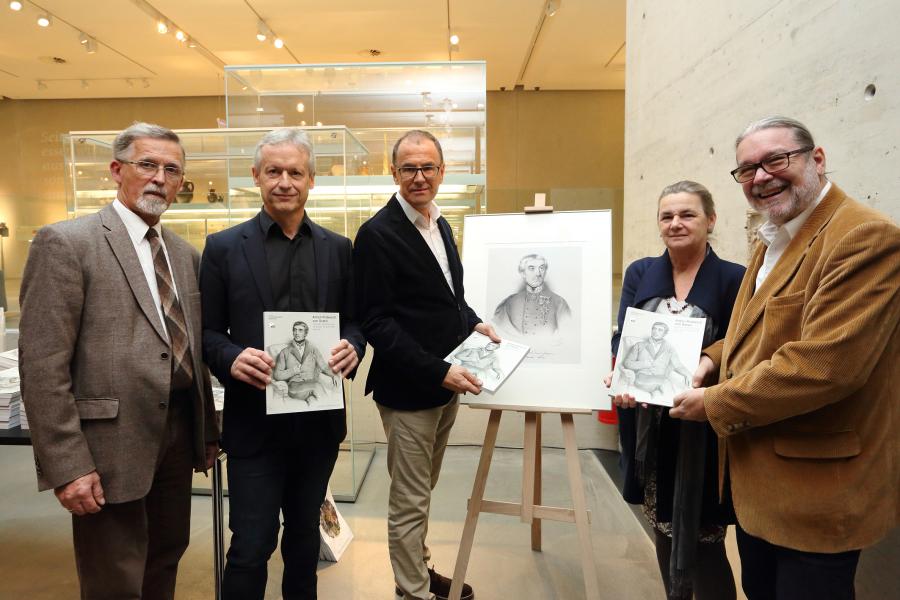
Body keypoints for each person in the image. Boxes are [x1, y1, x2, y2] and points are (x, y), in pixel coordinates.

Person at [670, 117, 900, 600]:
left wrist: (711, 403)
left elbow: (824, 366)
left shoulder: (863, 237)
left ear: (817, 159)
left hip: (816, 491)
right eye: (747, 169)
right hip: (762, 489)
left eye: (776, 159)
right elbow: (753, 331)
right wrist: (712, 360)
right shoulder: (777, 233)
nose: (760, 177)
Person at [18, 122, 219, 600]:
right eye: (147, 165)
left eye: (172, 170)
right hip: (108, 444)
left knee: (166, 556)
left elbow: (190, 349)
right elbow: (43, 365)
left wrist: (205, 430)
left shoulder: (184, 255)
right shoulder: (67, 243)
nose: (159, 179)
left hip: (175, 436)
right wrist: (67, 465)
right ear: (116, 170)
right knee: (115, 573)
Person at [200, 127, 365, 600]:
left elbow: (354, 322)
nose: (285, 182)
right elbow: (207, 333)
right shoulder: (224, 248)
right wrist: (231, 358)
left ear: (312, 180)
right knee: (250, 545)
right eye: (274, 171)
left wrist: (354, 345)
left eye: (295, 172)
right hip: (254, 426)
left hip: (318, 424)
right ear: (256, 176)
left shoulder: (338, 248)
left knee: (303, 542)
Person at [353, 129, 499, 600]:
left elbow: (447, 300)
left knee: (423, 490)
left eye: (428, 167)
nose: (420, 176)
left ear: (441, 171)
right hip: (410, 390)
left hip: (443, 386)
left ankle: (419, 567)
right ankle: (412, 591)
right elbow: (376, 321)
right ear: (393, 172)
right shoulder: (377, 234)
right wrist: (438, 370)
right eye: (409, 168)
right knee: (410, 498)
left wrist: (474, 323)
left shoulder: (440, 223)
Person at [606, 180, 744, 600]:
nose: (676, 223)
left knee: (705, 535)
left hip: (704, 426)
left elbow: (741, 347)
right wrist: (620, 372)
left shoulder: (733, 277)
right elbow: (624, 335)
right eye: (667, 216)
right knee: (661, 520)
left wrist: (707, 366)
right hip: (650, 423)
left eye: (687, 214)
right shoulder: (641, 272)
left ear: (711, 220)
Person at [493, 253, 571, 335]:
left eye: (541, 268)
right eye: (531, 268)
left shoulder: (559, 303)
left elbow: (566, 332)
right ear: (523, 273)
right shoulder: (509, 303)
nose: (538, 273)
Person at [621, 321, 693, 402]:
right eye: (654, 329)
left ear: (665, 333)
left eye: (660, 330)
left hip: (660, 379)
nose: (656, 331)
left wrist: (688, 375)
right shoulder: (639, 345)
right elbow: (627, 363)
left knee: (662, 394)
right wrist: (643, 364)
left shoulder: (670, 348)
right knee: (666, 384)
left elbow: (678, 365)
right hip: (643, 378)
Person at [272, 321, 336, 404]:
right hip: (295, 387)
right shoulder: (285, 352)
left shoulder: (313, 349)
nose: (296, 333)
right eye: (294, 330)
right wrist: (293, 371)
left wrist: (334, 375)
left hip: (310, 383)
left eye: (300, 330)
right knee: (317, 387)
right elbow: (277, 375)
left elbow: (323, 366)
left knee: (314, 401)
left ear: (306, 333)